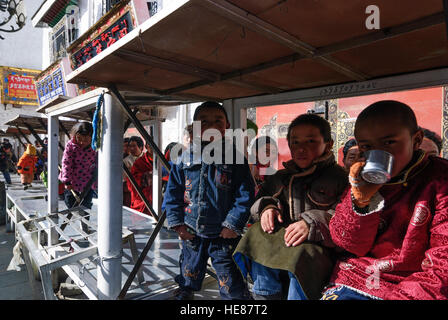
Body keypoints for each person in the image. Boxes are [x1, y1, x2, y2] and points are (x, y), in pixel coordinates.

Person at [322, 100, 448, 300]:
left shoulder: (441, 181)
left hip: (416, 285)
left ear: (416, 140)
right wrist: (361, 200)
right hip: (356, 278)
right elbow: (349, 244)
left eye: (389, 142)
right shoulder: (361, 177)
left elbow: (443, 265)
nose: (377, 152)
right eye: (367, 146)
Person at [233, 114, 348, 300]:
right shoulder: (280, 177)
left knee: (302, 256)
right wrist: (267, 208)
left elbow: (347, 216)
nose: (301, 148)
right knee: (257, 235)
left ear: (328, 144)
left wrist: (312, 223)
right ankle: (265, 296)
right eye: (295, 142)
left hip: (319, 248)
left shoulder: (340, 178)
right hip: (284, 243)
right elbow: (262, 199)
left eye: (311, 141)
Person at [163, 101, 255, 300]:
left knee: (230, 280)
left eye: (217, 121)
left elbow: (245, 194)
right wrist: (177, 224)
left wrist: (233, 224)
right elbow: (172, 193)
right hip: (191, 232)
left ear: (227, 126)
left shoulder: (236, 158)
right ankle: (185, 293)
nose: (211, 125)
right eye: (204, 121)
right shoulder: (183, 158)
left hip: (224, 234)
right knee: (188, 271)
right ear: (194, 126)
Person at [59, 122, 97, 211]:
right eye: (79, 138)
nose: (82, 142)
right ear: (75, 135)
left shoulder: (95, 146)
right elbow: (66, 163)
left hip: (88, 180)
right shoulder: (71, 146)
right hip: (72, 180)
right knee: (69, 201)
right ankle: (76, 215)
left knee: (86, 205)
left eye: (86, 140)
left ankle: (84, 222)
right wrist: (67, 181)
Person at [127, 143, 154, 214]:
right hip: (142, 206)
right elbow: (130, 185)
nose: (154, 148)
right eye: (151, 145)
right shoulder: (139, 163)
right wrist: (148, 177)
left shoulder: (162, 161)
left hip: (159, 204)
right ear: (146, 147)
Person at [123, 136, 144, 207]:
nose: (131, 148)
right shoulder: (126, 161)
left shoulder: (147, 158)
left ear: (141, 147)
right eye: (130, 146)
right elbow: (124, 180)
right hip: (132, 193)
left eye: (134, 146)